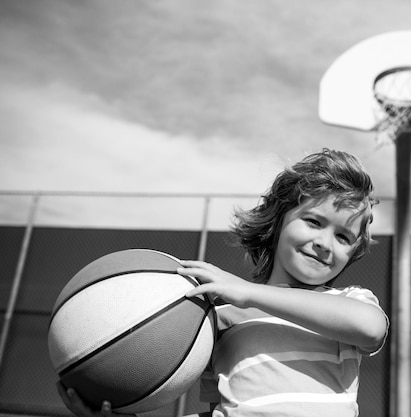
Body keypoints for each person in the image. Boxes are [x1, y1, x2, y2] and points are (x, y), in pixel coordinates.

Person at [57, 148, 388, 417]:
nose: (325, 243)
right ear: (278, 221)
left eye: (343, 236)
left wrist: (250, 294)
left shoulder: (349, 301)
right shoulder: (218, 321)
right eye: (314, 222)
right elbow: (223, 409)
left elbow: (370, 328)